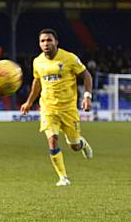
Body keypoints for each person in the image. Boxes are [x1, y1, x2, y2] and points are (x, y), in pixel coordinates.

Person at [20, 28, 93, 186]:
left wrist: (87, 96)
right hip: (48, 108)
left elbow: (86, 75)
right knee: (52, 139)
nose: (46, 43)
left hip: (68, 109)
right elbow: (37, 82)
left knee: (74, 145)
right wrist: (29, 101)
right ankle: (63, 177)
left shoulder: (69, 58)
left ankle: (82, 143)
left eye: (49, 40)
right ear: (39, 44)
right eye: (42, 41)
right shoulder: (37, 61)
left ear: (56, 42)